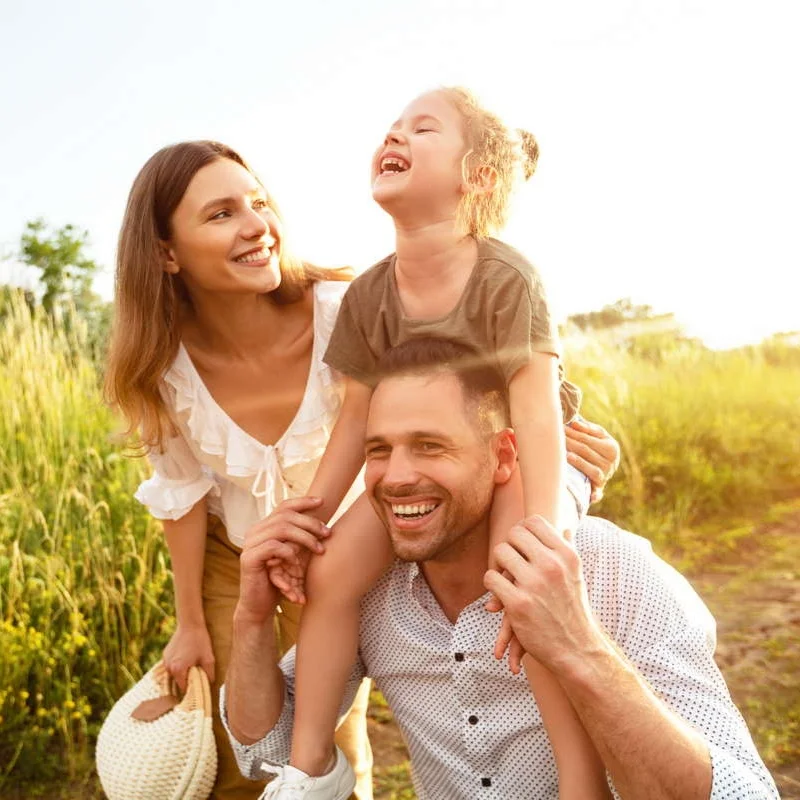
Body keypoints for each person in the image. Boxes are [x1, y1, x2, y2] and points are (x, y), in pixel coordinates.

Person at [103, 141, 618, 799]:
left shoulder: (345, 308)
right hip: (239, 555)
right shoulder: (159, 366)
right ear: (165, 253)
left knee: (338, 722)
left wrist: (540, 438)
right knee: (242, 744)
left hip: (368, 524)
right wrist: (190, 623)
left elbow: (460, 389)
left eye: (259, 202)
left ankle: (338, 773)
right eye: (222, 214)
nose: (257, 224)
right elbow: (179, 495)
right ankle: (303, 773)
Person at [222, 337, 780, 800]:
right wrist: (250, 619)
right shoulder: (369, 592)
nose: (396, 477)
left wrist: (578, 646)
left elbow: (746, 795)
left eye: (430, 446)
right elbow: (264, 746)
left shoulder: (617, 572)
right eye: (379, 450)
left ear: (505, 457)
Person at [277, 86, 608, 798]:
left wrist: (542, 532)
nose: (394, 136)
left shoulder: (506, 277)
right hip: (425, 464)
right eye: (391, 126)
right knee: (332, 574)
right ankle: (307, 772)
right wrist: (310, 518)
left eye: (421, 129)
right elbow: (356, 424)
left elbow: (538, 415)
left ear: (477, 178)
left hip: (523, 456)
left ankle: (581, 783)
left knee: (522, 578)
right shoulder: (369, 296)